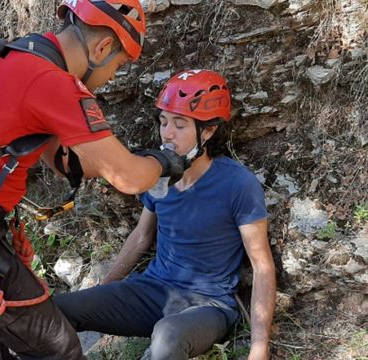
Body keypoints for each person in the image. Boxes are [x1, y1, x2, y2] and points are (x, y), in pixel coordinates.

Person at [0, 1, 191, 359]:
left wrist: (114, 160)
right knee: (59, 347)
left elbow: (60, 160)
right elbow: (128, 179)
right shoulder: (54, 83)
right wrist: (161, 162)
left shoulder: (24, 53)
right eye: (118, 64)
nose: (113, 75)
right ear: (101, 48)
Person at [53, 69, 277, 360]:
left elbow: (262, 266)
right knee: (57, 309)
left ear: (207, 131)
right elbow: (141, 237)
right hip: (153, 291)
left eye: (180, 124)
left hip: (208, 305)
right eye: (163, 122)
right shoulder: (158, 174)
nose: (167, 133)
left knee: (167, 337)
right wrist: (105, 289)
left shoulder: (238, 184)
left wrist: (259, 346)